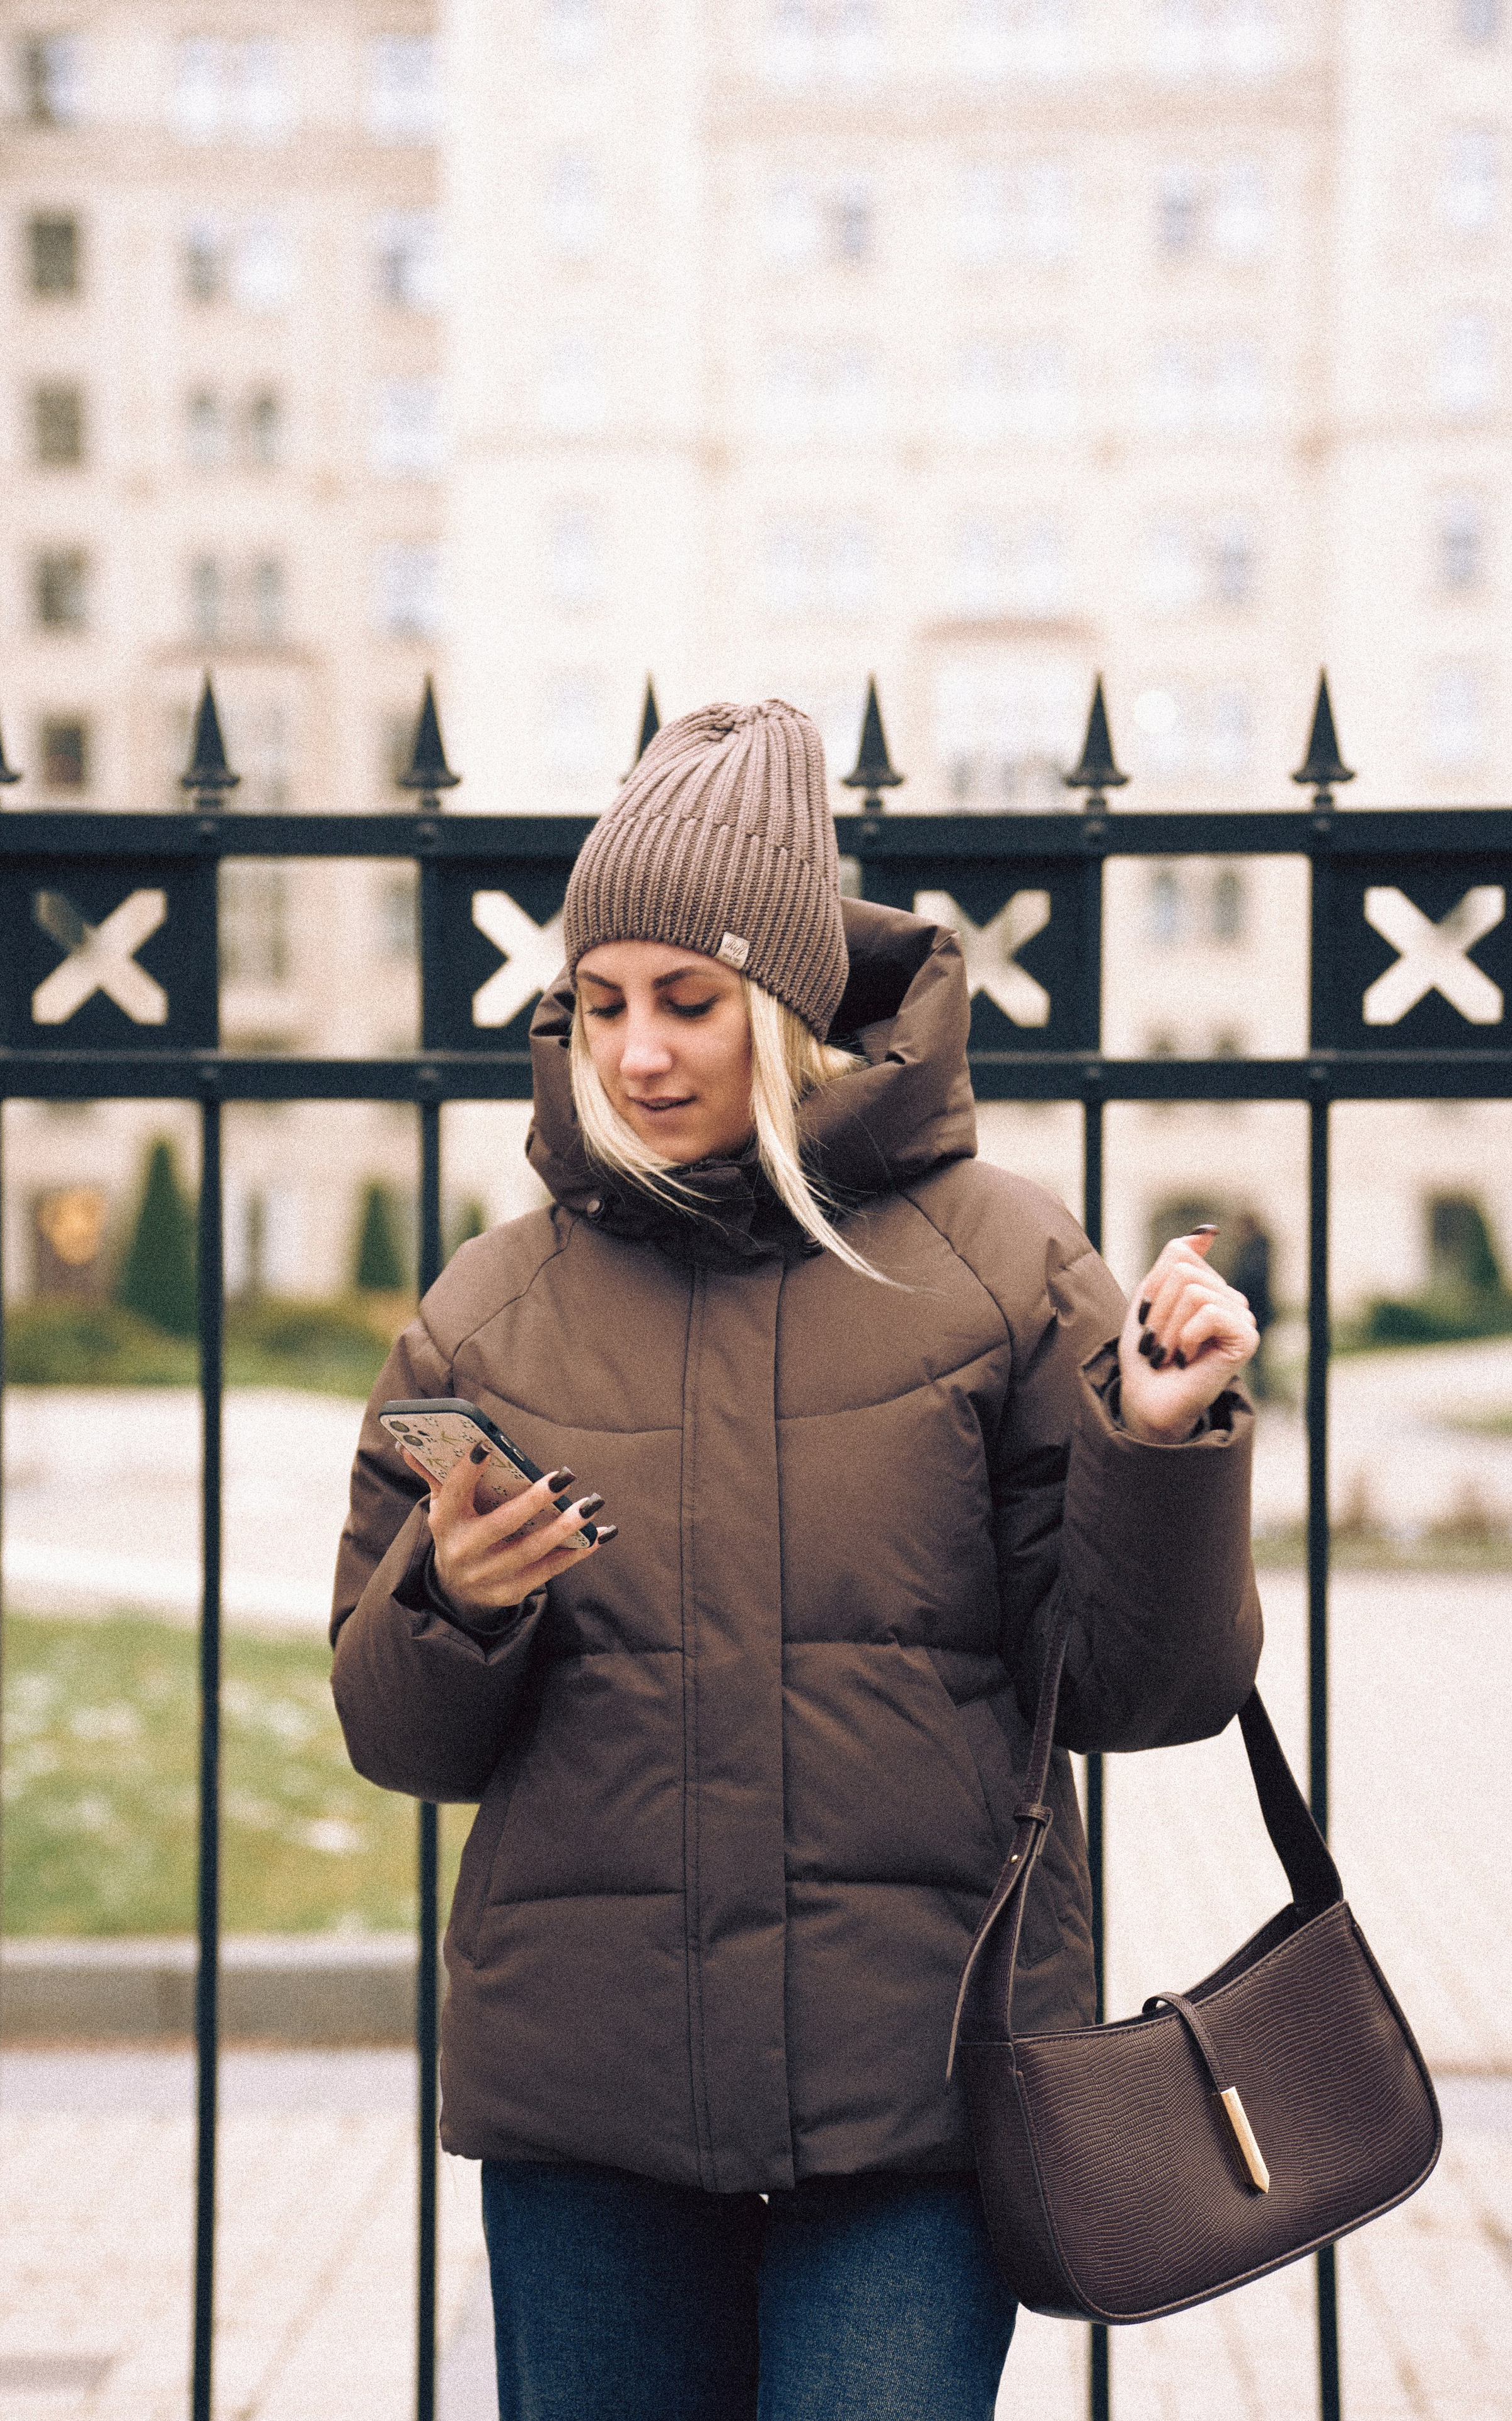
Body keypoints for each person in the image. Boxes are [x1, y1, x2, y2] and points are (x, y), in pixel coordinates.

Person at [330, 700, 1262, 2421]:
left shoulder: (1003, 1270)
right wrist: (451, 1600)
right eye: (601, 1003)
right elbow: (399, 1740)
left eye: (688, 1001)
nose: (637, 1053)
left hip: (916, 2106)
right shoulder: (486, 1311)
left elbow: (1150, 1689)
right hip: (587, 2114)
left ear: (788, 1005)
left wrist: (1162, 1441)